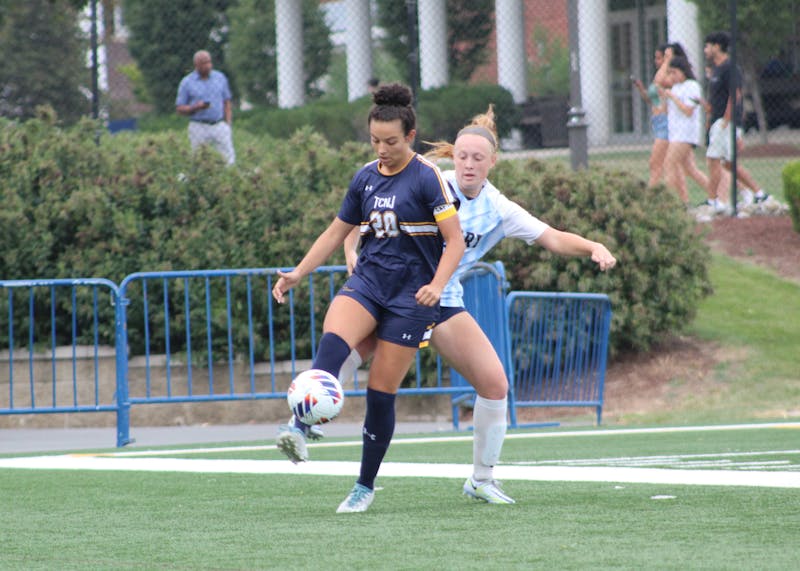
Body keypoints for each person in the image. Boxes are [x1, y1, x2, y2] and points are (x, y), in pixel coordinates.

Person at [299, 105, 616, 508]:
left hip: (443, 301)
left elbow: (551, 237)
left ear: (492, 162)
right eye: (462, 156)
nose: (468, 164)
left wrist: (593, 246)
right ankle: (304, 417)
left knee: (494, 383)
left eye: (477, 158)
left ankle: (481, 479)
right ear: (453, 158)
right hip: (397, 292)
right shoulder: (432, 182)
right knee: (351, 352)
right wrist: (350, 249)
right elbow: (362, 216)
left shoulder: (498, 208)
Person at [271, 83, 465, 514]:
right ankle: (300, 428)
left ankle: (364, 485)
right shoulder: (365, 176)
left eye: (391, 142)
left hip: (412, 297)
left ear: (410, 137)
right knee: (333, 341)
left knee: (380, 392)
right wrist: (299, 273)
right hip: (370, 281)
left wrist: (437, 284)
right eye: (375, 140)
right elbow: (335, 232)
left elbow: (455, 243)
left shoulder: (427, 177)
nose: (382, 149)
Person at [703, 31, 769, 208]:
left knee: (714, 160)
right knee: (728, 164)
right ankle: (758, 193)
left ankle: (714, 201)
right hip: (718, 122)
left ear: (717, 46)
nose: (705, 50)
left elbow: (736, 95)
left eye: (708, 46)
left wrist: (726, 120)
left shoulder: (729, 68)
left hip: (725, 123)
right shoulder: (716, 69)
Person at [175, 50, 236, 165]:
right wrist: (195, 107)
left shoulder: (220, 78)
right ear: (196, 65)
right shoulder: (187, 82)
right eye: (203, 63)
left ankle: (228, 177)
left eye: (209, 62)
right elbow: (179, 108)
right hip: (199, 125)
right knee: (199, 157)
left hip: (218, 124)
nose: (208, 66)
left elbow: (227, 101)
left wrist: (228, 123)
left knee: (228, 157)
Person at [660, 53, 705, 205]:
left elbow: (688, 110)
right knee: (689, 169)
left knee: (669, 164)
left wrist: (673, 97)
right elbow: (667, 111)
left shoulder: (692, 86)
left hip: (685, 133)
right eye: (670, 73)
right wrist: (666, 98)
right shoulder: (676, 87)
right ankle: (714, 196)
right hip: (675, 133)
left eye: (675, 72)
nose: (672, 76)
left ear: (683, 71)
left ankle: (668, 203)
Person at [632, 44, 669, 187]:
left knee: (655, 162)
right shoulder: (658, 76)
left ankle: (651, 194)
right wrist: (641, 88)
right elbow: (650, 99)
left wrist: (668, 61)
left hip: (665, 121)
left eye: (659, 58)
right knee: (669, 165)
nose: (656, 61)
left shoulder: (666, 76)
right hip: (657, 120)